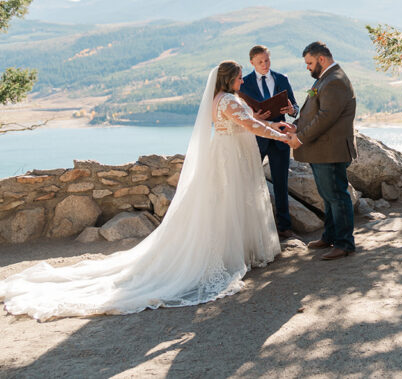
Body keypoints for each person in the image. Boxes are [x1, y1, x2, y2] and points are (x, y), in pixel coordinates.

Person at [0, 61, 290, 320]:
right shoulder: (228, 99)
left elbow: (248, 122)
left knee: (229, 203)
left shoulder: (221, 98)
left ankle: (240, 251)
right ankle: (231, 256)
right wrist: (282, 135)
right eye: (239, 78)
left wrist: (269, 122)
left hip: (228, 153)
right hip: (231, 157)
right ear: (229, 80)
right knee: (231, 202)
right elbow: (249, 125)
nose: (242, 82)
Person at [287, 41, 358, 261]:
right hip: (322, 150)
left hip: (331, 150)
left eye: (309, 63)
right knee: (328, 197)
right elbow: (313, 112)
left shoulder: (335, 81)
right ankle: (329, 236)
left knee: (337, 196)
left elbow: (325, 117)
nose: (307, 67)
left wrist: (299, 138)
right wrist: (296, 125)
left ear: (321, 59)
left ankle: (345, 243)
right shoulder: (325, 78)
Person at [240, 45, 299, 239]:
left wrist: (291, 110)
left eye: (267, 60)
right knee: (250, 180)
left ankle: (284, 226)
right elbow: (243, 113)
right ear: (252, 63)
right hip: (257, 138)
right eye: (260, 62)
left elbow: (295, 107)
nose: (265, 65)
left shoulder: (282, 79)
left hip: (280, 136)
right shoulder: (244, 83)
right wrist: (255, 116)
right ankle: (253, 227)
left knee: (281, 182)